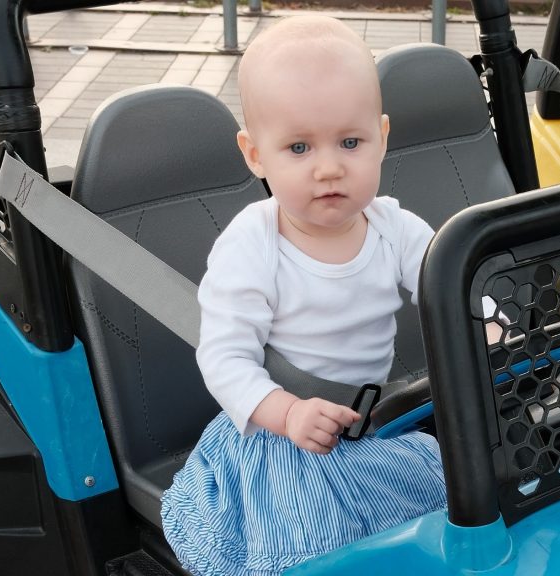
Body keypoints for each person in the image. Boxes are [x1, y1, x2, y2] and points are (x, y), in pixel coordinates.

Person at [160, 15, 447, 575]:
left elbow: (451, 278)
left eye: (350, 141)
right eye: (298, 147)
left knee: (453, 501)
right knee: (318, 550)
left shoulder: (393, 226)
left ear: (382, 138)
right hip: (281, 440)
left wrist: (486, 323)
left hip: (370, 430)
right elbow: (223, 358)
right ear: (255, 155)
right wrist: (287, 412)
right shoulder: (253, 242)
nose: (329, 167)